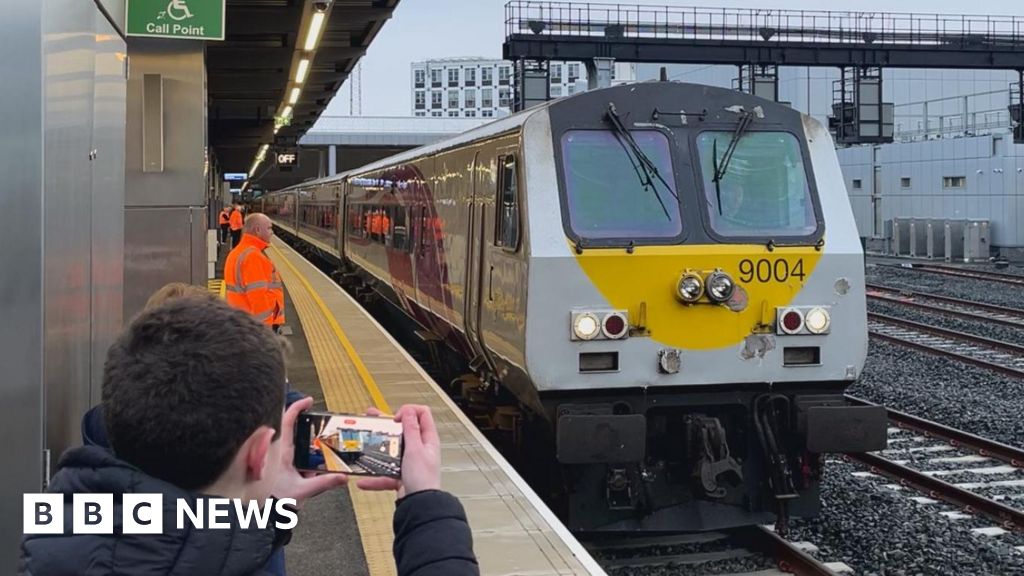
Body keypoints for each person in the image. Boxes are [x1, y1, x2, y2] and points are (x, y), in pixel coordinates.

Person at [20, 298, 478, 576]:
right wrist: (427, 507)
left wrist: (261, 508)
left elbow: (178, 535)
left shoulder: (55, 531)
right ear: (260, 454)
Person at [225, 213, 286, 333]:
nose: (272, 232)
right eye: (269, 228)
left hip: (242, 322)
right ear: (257, 230)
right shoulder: (253, 257)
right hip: (256, 328)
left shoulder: (237, 252)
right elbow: (258, 298)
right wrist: (265, 331)